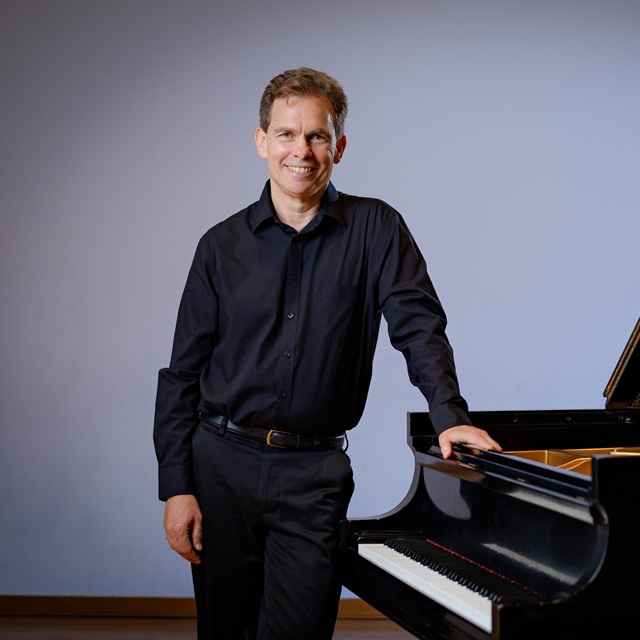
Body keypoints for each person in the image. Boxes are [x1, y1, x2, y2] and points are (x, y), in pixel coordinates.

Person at [153, 67, 501, 640]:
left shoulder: (377, 228)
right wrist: (177, 486)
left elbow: (418, 326)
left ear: (338, 145)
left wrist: (449, 416)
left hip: (313, 473)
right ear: (262, 140)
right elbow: (181, 373)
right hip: (220, 468)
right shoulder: (218, 247)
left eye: (316, 136)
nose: (302, 151)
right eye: (287, 134)